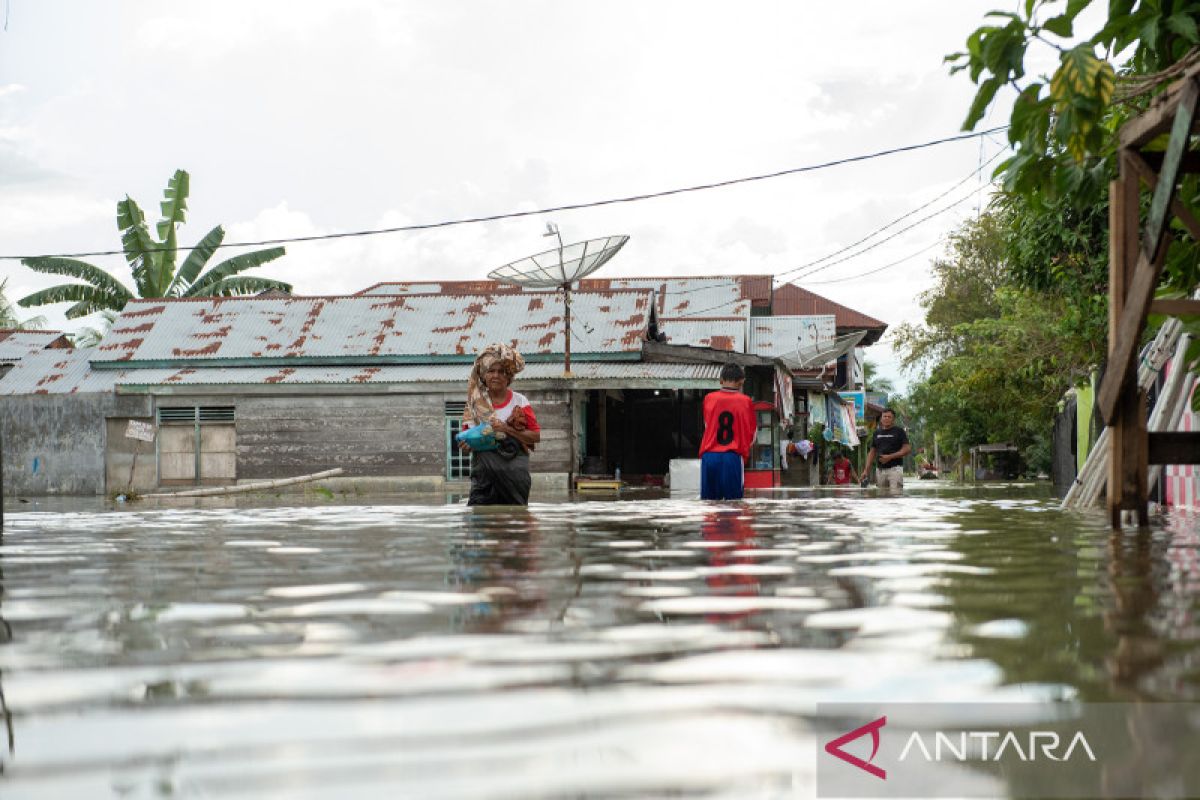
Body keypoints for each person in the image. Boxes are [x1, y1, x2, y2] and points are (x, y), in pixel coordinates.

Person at [460, 343, 541, 506]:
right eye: (491, 371)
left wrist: (506, 429)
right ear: (484, 376)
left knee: (515, 526)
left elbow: (535, 436)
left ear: (509, 377)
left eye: (501, 372)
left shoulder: (520, 402)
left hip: (515, 480)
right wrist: (466, 446)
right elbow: (466, 443)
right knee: (480, 522)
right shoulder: (474, 405)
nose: (496, 376)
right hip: (484, 480)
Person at [699, 362, 757, 500]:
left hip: (709, 457)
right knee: (734, 506)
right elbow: (752, 434)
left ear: (721, 380)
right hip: (732, 457)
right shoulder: (746, 401)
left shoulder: (708, 399)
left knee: (709, 507)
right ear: (741, 382)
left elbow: (707, 426)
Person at [861, 408, 911, 490]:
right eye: (884, 416)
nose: (886, 418)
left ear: (893, 419)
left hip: (895, 469)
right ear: (881, 419)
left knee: (895, 494)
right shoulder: (876, 433)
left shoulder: (899, 431)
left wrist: (890, 457)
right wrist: (866, 470)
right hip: (880, 470)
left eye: (889, 417)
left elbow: (907, 449)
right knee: (881, 496)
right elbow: (872, 452)